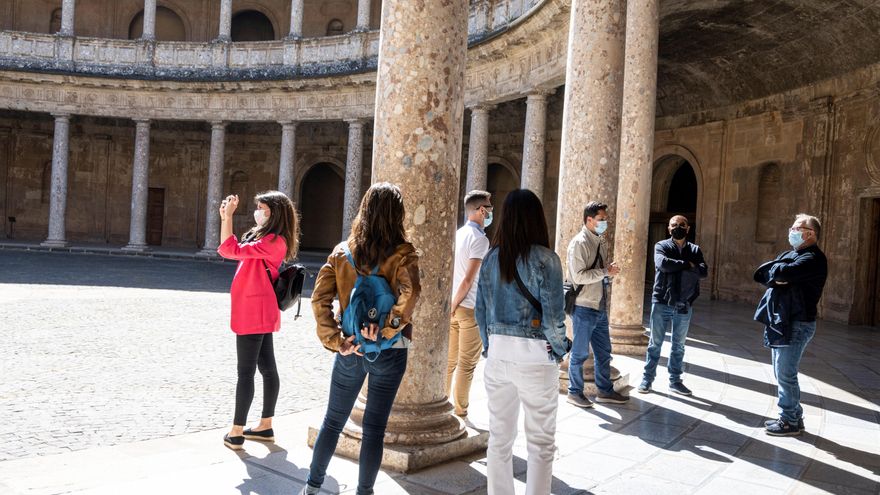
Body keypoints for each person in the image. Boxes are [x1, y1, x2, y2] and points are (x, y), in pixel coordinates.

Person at [302, 182, 421, 495]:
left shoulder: (342, 253)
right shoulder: (404, 255)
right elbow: (411, 294)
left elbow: (318, 300)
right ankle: (364, 492)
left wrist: (335, 340)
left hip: (350, 347)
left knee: (333, 421)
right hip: (390, 351)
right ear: (398, 216)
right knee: (374, 428)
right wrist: (386, 331)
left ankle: (312, 487)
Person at [475, 189, 570, 495]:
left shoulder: (491, 258)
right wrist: (559, 349)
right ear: (537, 219)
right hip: (535, 359)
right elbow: (555, 317)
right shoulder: (546, 259)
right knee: (540, 443)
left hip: (498, 357)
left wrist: (490, 347)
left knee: (499, 439)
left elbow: (480, 310)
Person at [217, 191, 299, 450]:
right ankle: (265, 426)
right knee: (266, 368)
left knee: (246, 372)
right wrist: (225, 218)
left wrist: (227, 218)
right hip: (259, 309)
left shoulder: (274, 241)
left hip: (254, 310)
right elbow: (233, 247)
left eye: (261, 207)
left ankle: (237, 431)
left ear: (273, 212)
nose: (258, 211)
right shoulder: (266, 237)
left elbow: (228, 250)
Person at [755, 214, 827, 436]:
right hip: (783, 321)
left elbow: (781, 272)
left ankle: (789, 421)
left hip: (798, 322)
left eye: (798, 228)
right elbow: (764, 274)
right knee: (780, 372)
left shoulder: (813, 258)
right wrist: (778, 275)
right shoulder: (790, 255)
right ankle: (795, 416)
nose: (792, 231)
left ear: (810, 233)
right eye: (792, 227)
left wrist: (780, 274)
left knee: (786, 372)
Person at [565, 201, 627, 408]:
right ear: (589, 220)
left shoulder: (599, 241)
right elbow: (579, 276)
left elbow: (600, 272)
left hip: (599, 306)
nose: (604, 223)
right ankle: (574, 392)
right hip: (583, 306)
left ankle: (605, 391)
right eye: (601, 220)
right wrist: (605, 272)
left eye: (605, 220)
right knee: (580, 353)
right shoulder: (579, 243)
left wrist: (608, 273)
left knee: (604, 352)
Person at [638, 215, 708, 396]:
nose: (678, 227)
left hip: (684, 303)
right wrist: (687, 264)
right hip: (662, 300)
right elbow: (663, 264)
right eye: (674, 225)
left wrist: (684, 266)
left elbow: (703, 271)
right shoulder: (661, 246)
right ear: (669, 229)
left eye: (682, 225)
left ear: (688, 228)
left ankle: (675, 381)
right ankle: (647, 380)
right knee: (655, 343)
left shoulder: (694, 249)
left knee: (678, 345)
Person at [446, 190, 493, 418]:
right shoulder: (480, 240)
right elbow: (468, 279)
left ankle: (442, 402)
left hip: (454, 307)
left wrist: (450, 305)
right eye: (489, 206)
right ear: (481, 210)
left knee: (450, 361)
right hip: (468, 307)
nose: (491, 210)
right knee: (467, 364)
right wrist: (455, 303)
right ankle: (461, 409)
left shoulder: (459, 233)